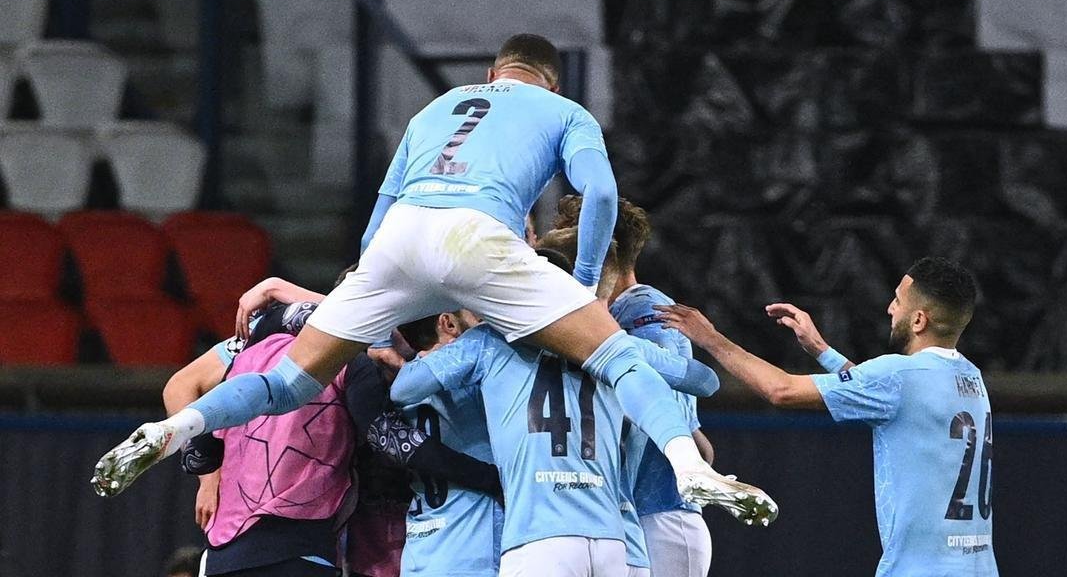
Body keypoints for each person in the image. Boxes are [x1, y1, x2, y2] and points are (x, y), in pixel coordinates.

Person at [94, 34, 776, 526]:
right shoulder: (562, 113)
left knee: (288, 383)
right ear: (551, 83)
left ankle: (177, 427)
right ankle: (692, 468)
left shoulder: (436, 108)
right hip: (478, 233)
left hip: (400, 238)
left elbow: (372, 231)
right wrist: (585, 283)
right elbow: (597, 197)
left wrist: (373, 314)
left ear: (491, 73)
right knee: (619, 356)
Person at [657, 257, 999, 577]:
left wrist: (710, 338)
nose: (890, 308)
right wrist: (821, 350)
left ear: (919, 320)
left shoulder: (899, 377)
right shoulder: (970, 378)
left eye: (898, 300)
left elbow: (782, 390)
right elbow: (887, 395)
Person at [388, 253, 724, 577]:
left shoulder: (488, 341)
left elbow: (404, 389)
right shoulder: (612, 344)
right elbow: (704, 380)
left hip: (539, 535)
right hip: (615, 538)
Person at [165, 282, 501, 577]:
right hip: (307, 549)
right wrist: (492, 478)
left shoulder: (252, 347)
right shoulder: (361, 365)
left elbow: (200, 451)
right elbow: (392, 440)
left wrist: (209, 471)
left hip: (226, 548)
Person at [554, 197, 713, 577]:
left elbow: (664, 403)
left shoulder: (647, 313)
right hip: (632, 515)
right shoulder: (613, 313)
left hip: (659, 514)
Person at [389, 308, 503, 577]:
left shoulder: (395, 379)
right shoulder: (477, 379)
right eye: (479, 319)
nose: (484, 328)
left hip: (420, 552)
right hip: (475, 548)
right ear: (448, 323)